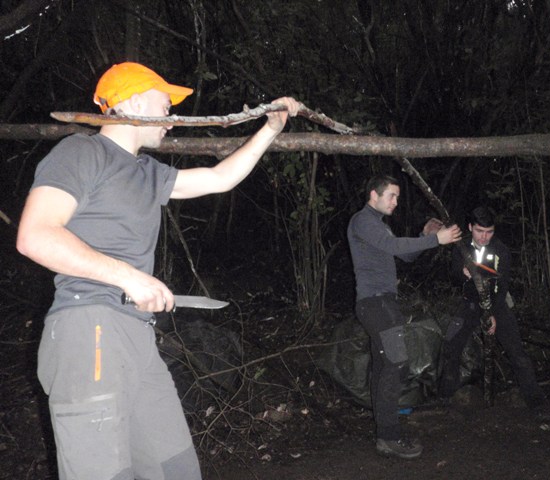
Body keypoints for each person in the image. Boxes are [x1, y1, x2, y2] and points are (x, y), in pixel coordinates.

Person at [16, 61, 300, 480]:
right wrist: (129, 276)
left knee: (177, 470)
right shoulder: (81, 152)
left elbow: (219, 178)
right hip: (88, 327)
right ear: (131, 101)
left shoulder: (148, 172)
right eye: (164, 103)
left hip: (137, 335)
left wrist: (270, 130)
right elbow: (35, 235)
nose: (171, 115)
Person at [347, 174, 461, 459]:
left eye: (397, 197)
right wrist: (436, 239)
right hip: (376, 305)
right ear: (374, 194)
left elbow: (404, 255)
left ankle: (383, 428)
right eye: (392, 196)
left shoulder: (378, 227)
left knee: (385, 365)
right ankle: (389, 436)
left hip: (382, 305)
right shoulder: (363, 221)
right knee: (397, 363)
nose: (396, 202)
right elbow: (395, 247)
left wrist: (425, 235)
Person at [439, 206, 546, 409]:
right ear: (470, 227)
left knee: (516, 351)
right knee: (451, 344)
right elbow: (453, 276)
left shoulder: (501, 251)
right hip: (470, 303)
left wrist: (494, 314)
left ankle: (535, 401)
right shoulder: (461, 248)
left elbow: (503, 285)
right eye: (480, 231)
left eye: (489, 232)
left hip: (497, 303)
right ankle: (447, 397)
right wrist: (463, 274)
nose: (484, 237)